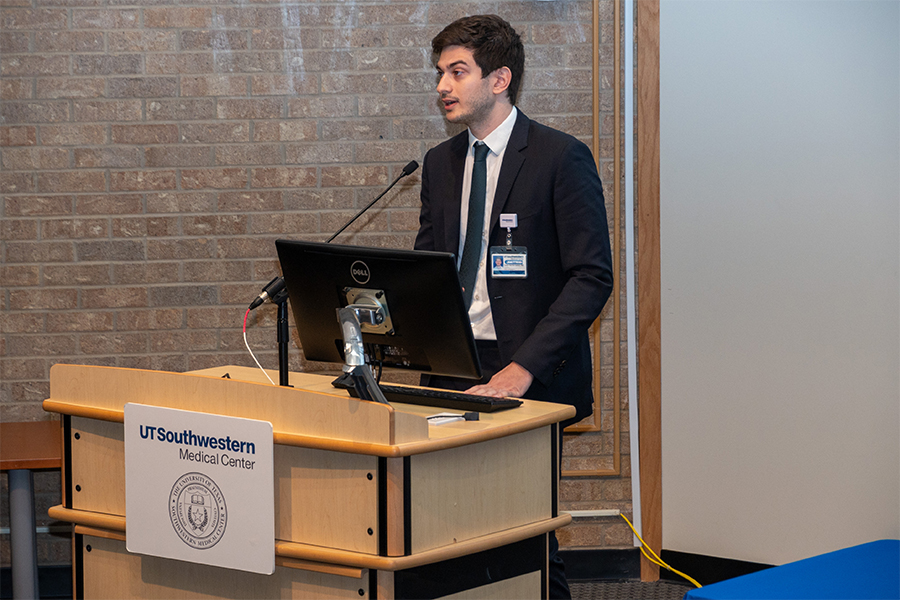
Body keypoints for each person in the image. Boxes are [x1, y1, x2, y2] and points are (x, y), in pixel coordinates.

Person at [414, 14, 614, 600]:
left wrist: (523, 368)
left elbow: (591, 277)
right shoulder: (439, 162)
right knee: (447, 525)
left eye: (457, 72)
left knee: (522, 530)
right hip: (451, 367)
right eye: (440, 73)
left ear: (499, 79)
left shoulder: (559, 157)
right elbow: (428, 270)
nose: (443, 86)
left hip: (528, 370)